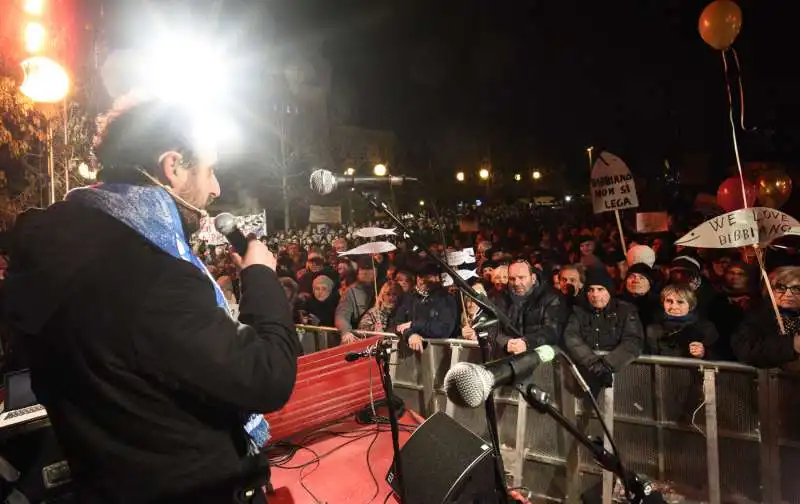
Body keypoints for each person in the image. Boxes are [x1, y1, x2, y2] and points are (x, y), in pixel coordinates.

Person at [3, 97, 301, 504]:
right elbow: (266, 376)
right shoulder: (148, 271)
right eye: (210, 171)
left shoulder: (58, 254)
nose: (216, 188)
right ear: (172, 166)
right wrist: (262, 277)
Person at [563, 267, 644, 396]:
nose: (595, 294)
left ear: (609, 291)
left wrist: (607, 365)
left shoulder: (625, 311)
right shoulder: (579, 311)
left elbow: (633, 341)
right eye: (591, 290)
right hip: (586, 375)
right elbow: (571, 337)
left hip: (623, 378)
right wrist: (594, 363)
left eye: (600, 289)